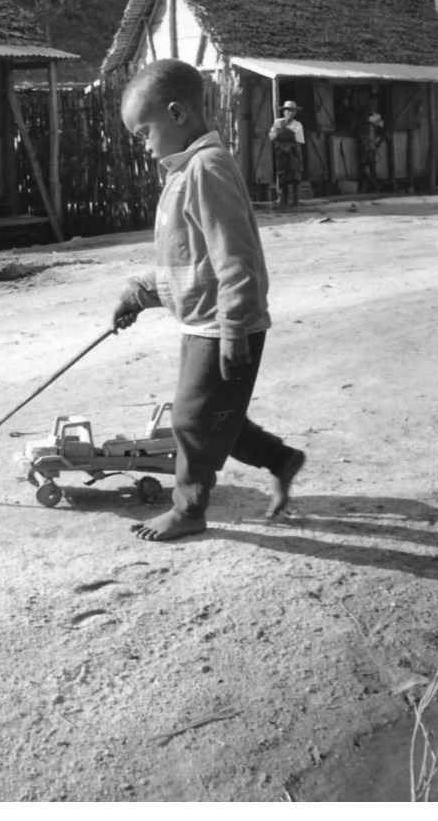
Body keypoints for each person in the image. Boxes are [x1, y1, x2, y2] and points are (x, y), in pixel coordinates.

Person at [111, 59, 306, 542]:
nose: (144, 144)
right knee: (214, 413)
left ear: (177, 114)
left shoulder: (207, 168)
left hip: (224, 324)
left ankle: (189, 509)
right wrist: (139, 294)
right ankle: (281, 460)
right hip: (203, 322)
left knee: (191, 419)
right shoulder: (182, 172)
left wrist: (234, 325)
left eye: (144, 132)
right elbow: (185, 260)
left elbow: (233, 254)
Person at [269, 100, 305, 206]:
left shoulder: (297, 125)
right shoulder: (277, 122)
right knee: (282, 176)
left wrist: (289, 146)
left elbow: (299, 141)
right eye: (288, 110)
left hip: (294, 152)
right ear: (284, 111)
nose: (290, 113)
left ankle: (295, 200)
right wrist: (280, 146)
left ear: (295, 112)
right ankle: (283, 201)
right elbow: (271, 137)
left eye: (293, 111)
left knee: (295, 176)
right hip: (281, 152)